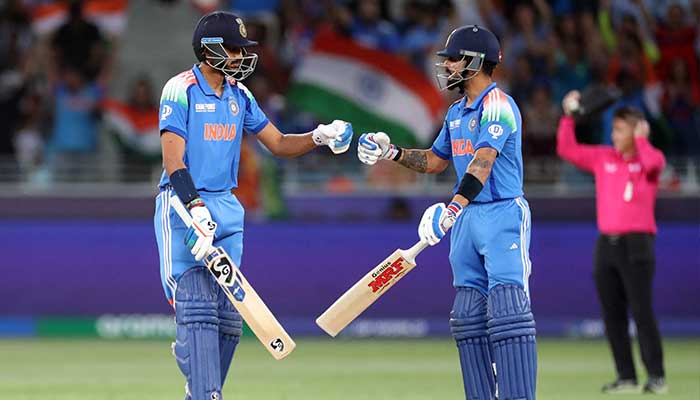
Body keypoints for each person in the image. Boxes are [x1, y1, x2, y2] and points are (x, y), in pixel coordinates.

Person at [154, 11, 352, 400]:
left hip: (227, 207)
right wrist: (195, 208)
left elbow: (277, 144)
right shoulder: (179, 90)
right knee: (196, 303)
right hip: (182, 204)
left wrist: (319, 136)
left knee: (229, 318)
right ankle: (205, 386)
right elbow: (173, 162)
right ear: (210, 49)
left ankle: (198, 379)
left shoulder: (239, 94)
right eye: (233, 49)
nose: (241, 56)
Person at [358, 25, 537, 400]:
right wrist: (391, 154)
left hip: (502, 214)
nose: (447, 66)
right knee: (467, 317)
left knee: (507, 313)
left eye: (453, 59)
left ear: (474, 62)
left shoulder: (498, 106)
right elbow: (437, 161)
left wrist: (453, 207)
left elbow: (482, 162)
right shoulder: (456, 112)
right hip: (468, 219)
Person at [557, 91, 667, 394]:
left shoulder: (650, 157)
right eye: (614, 129)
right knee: (612, 314)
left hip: (638, 243)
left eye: (620, 129)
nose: (613, 135)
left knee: (642, 312)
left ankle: (656, 376)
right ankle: (627, 376)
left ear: (637, 130)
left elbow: (653, 167)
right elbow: (567, 149)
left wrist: (643, 140)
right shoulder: (604, 158)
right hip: (606, 244)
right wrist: (568, 117)